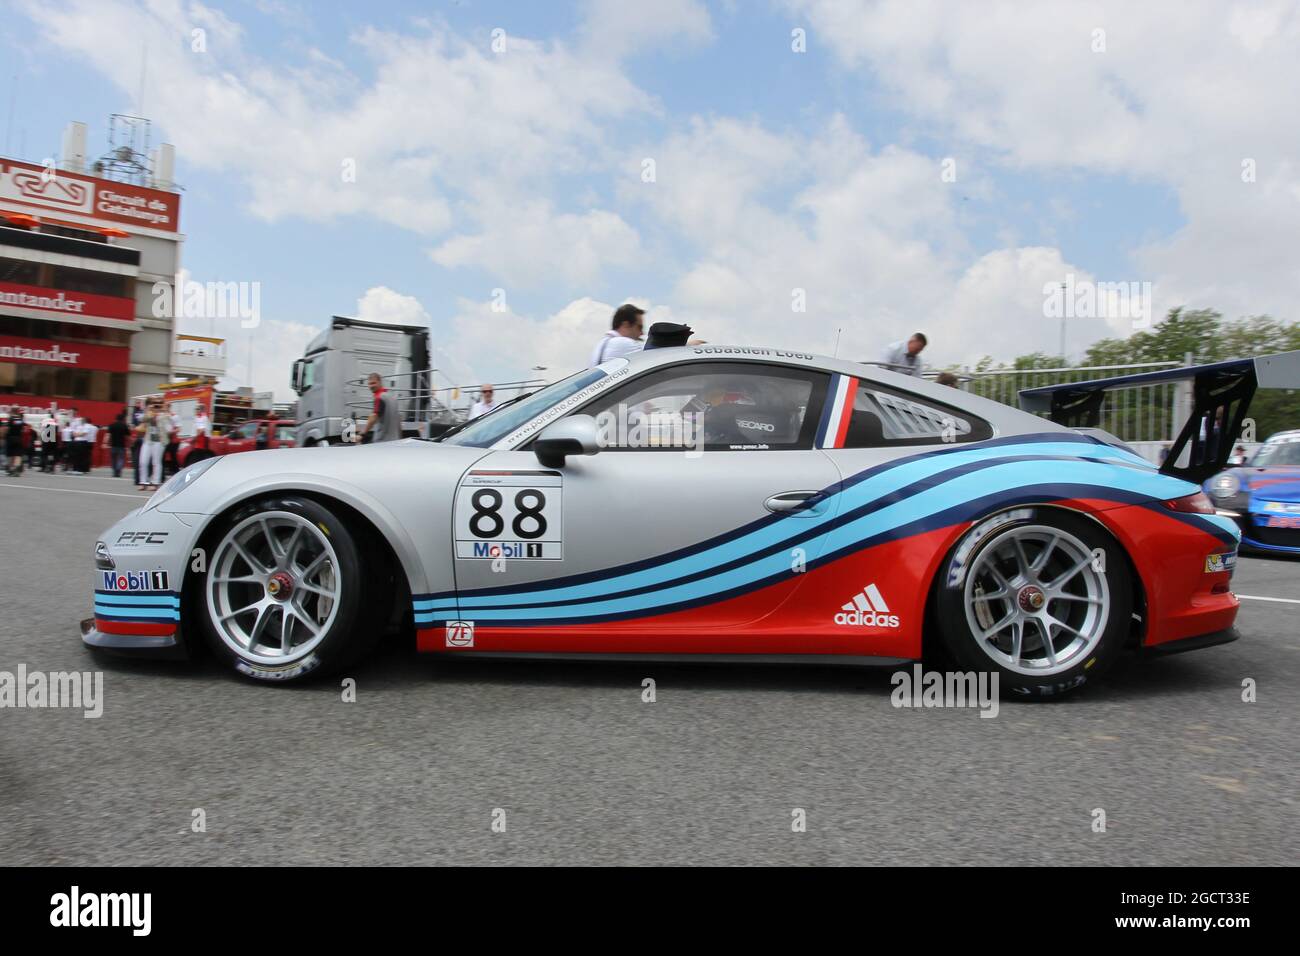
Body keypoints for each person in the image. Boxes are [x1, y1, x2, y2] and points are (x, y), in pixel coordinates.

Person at [361, 372, 402, 443]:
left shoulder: (379, 397)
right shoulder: (393, 397)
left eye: (373, 383)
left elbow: (373, 418)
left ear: (380, 382)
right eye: (369, 384)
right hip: (395, 440)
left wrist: (362, 434)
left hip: (382, 442)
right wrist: (400, 438)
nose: (371, 386)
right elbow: (398, 420)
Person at [136, 401, 166, 490]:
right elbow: (141, 419)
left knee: (156, 462)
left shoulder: (163, 415)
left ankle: (155, 483)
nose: (155, 409)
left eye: (157, 407)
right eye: (154, 407)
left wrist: (159, 413)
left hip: (159, 441)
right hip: (148, 440)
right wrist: (148, 410)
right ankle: (143, 482)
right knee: (143, 461)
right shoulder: (149, 414)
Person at [108, 412, 130, 478]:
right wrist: (129, 443)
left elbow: (108, 435)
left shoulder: (112, 425)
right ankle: (118, 471)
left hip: (113, 444)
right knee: (121, 459)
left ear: (116, 418)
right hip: (121, 445)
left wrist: (107, 443)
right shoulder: (124, 425)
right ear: (122, 419)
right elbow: (128, 435)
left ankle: (114, 471)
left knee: (113, 459)